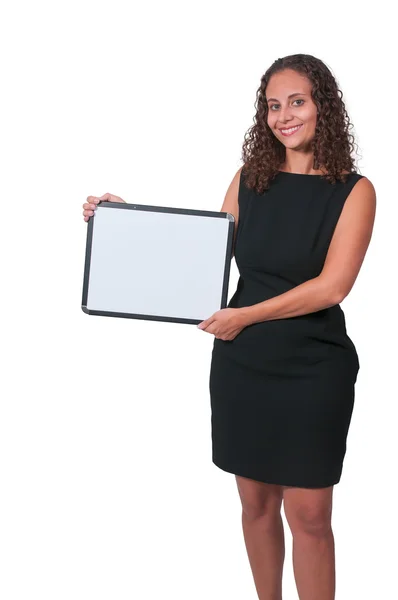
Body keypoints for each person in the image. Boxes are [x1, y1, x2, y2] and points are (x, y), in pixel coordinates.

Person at [82, 53, 376, 600]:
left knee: (310, 516)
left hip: (314, 369)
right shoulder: (250, 180)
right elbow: (205, 256)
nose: (284, 115)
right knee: (256, 505)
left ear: (323, 108)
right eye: (272, 105)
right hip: (245, 364)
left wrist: (246, 315)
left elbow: (332, 287)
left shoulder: (355, 190)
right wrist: (129, 220)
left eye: (297, 101)